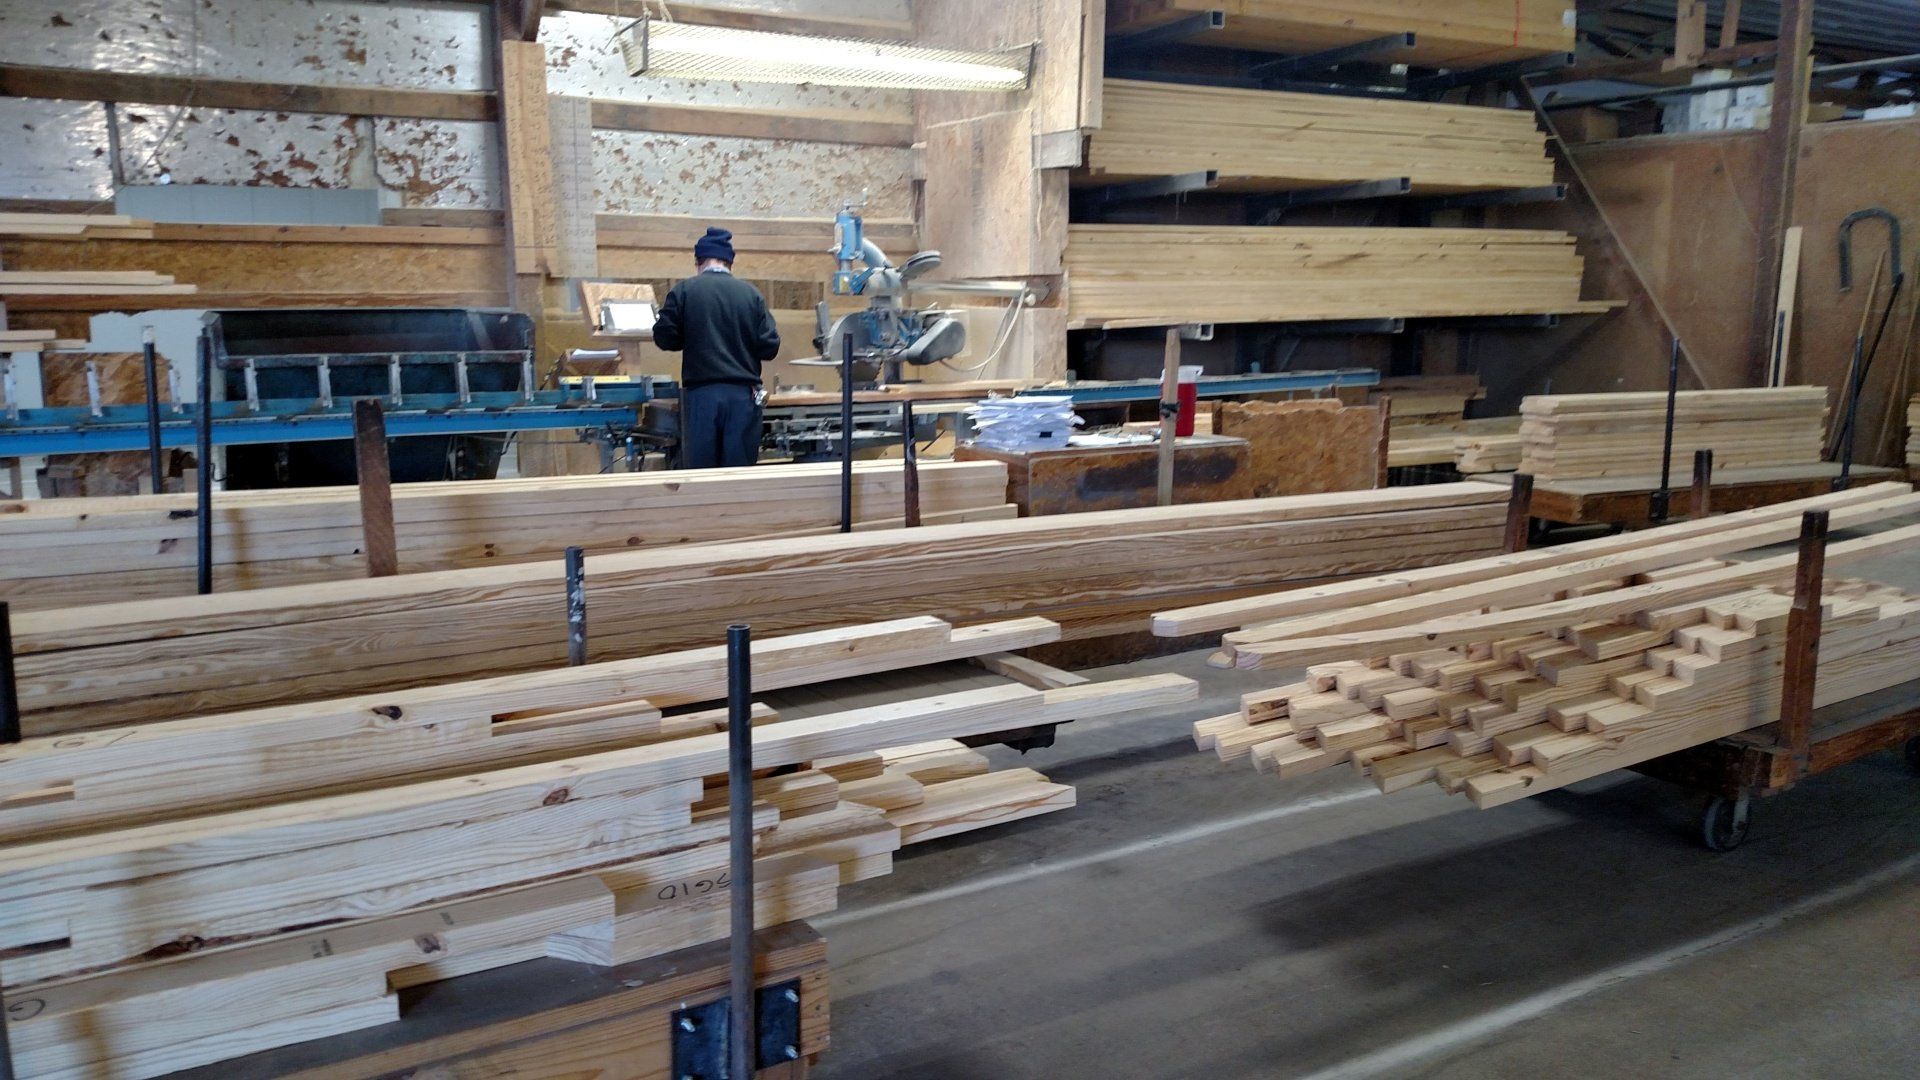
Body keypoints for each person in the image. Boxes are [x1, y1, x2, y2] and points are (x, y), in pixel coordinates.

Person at [652, 227, 782, 468]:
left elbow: (664, 339)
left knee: (702, 477)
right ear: (730, 263)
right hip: (743, 397)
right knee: (738, 474)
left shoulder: (684, 291)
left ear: (698, 262)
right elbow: (769, 347)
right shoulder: (751, 295)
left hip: (701, 397)